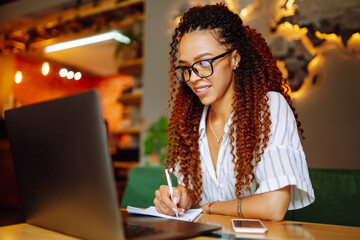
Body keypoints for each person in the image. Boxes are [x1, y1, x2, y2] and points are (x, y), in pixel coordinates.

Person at [154, 3, 314, 221]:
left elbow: (273, 206)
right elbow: (194, 193)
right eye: (186, 68)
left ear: (235, 58)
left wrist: (209, 207)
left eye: (204, 62)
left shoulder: (268, 109)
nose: (193, 77)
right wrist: (183, 196)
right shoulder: (190, 122)